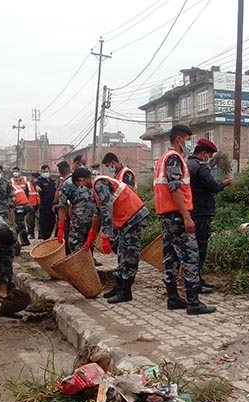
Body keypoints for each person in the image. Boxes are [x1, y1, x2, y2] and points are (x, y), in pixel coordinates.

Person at [153, 124, 215, 315]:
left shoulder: (163, 158)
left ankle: (173, 298)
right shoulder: (174, 158)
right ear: (179, 139)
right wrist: (187, 217)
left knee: (171, 255)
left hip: (166, 214)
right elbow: (175, 188)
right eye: (188, 140)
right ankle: (193, 301)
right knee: (190, 255)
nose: (190, 143)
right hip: (177, 215)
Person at [78, 168, 149, 303]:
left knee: (129, 254)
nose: (81, 187)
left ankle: (126, 291)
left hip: (133, 217)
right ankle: (119, 287)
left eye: (79, 184)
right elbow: (97, 214)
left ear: (81, 180)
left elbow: (107, 208)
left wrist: (106, 235)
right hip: (126, 220)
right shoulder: (96, 188)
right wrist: (91, 236)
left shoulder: (100, 184)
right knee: (122, 253)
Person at [187, 138, 231, 294]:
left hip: (191, 210)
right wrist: (224, 184)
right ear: (204, 153)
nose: (209, 158)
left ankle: (196, 279)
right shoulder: (200, 168)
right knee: (201, 248)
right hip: (201, 212)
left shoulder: (187, 165)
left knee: (191, 248)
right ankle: (196, 283)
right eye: (210, 155)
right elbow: (213, 187)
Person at [57, 158, 95, 253]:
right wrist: (61, 227)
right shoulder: (68, 184)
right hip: (79, 222)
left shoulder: (94, 181)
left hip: (92, 221)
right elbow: (62, 206)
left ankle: (88, 260)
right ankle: (79, 260)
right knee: (76, 246)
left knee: (88, 245)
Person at [9, 166, 34, 246]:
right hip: (27, 204)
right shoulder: (15, 184)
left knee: (20, 224)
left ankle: (24, 241)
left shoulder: (11, 186)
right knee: (19, 223)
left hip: (21, 205)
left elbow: (13, 199)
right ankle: (17, 239)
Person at [35, 164, 57, 239]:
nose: (45, 173)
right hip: (44, 207)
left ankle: (48, 236)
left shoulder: (52, 181)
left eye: (47, 171)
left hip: (52, 207)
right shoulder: (40, 181)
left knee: (52, 223)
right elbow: (36, 185)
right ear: (41, 172)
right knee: (44, 224)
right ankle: (45, 238)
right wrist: (37, 187)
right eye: (44, 172)